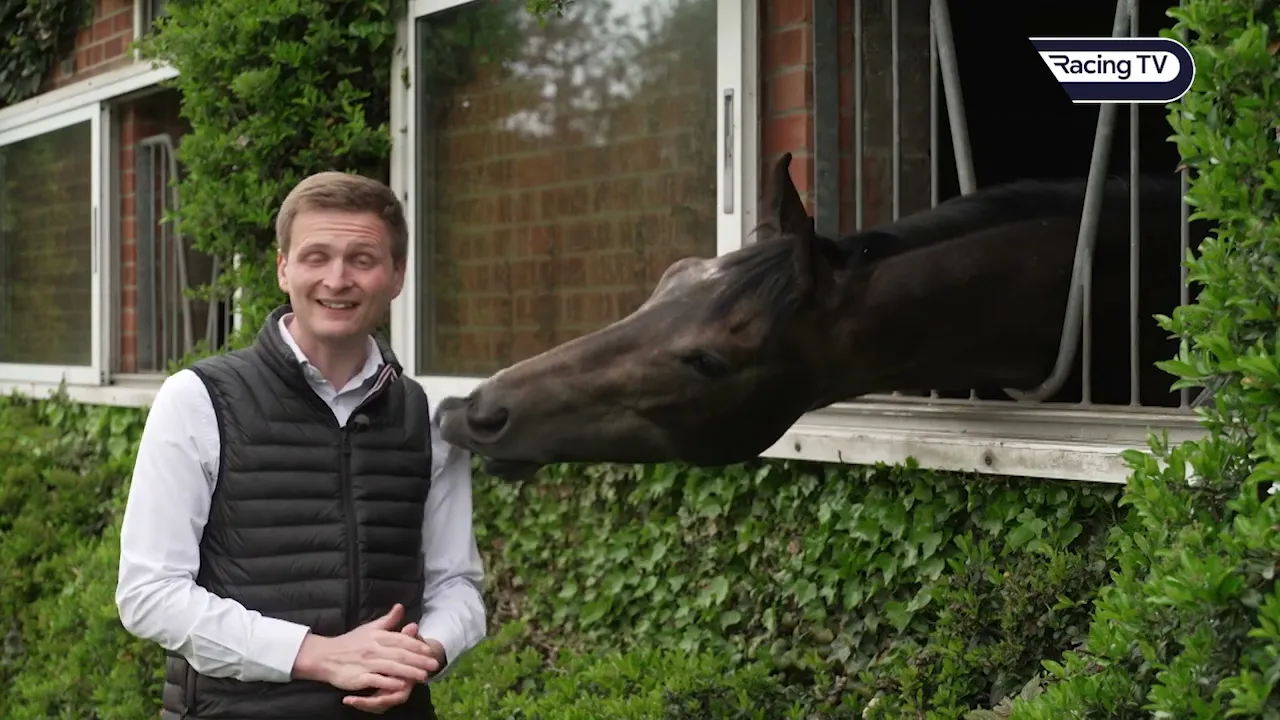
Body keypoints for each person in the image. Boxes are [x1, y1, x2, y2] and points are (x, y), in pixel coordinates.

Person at [115, 171, 487, 719]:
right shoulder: (197, 400)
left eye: (362, 260)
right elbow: (149, 594)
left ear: (397, 275)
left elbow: (458, 585)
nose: (337, 279)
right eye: (317, 257)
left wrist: (422, 652)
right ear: (283, 268)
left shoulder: (426, 417)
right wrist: (316, 655)